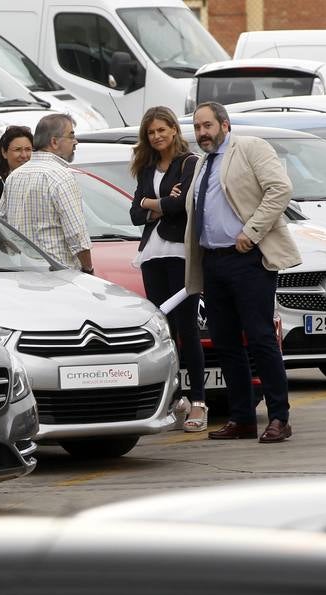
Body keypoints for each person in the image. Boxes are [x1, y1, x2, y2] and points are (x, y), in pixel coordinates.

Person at [184, 101, 301, 444]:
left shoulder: (249, 148)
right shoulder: (202, 162)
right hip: (214, 261)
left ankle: (279, 416)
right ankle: (242, 418)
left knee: (261, 338)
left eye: (207, 125)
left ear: (224, 124)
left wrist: (251, 232)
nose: (202, 133)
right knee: (226, 343)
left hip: (248, 260)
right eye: (197, 127)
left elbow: (280, 190)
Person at [128, 105, 206, 432]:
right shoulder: (147, 169)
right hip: (151, 254)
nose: (157, 136)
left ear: (174, 129)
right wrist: (154, 204)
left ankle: (199, 402)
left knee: (186, 326)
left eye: (162, 130)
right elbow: (133, 213)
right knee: (165, 331)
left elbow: (181, 204)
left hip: (179, 253)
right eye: (151, 132)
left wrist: (152, 203)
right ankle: (176, 398)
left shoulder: (189, 164)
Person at [0, 113, 94, 273]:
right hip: (59, 273)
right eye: (71, 136)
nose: (76, 142)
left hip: (22, 271)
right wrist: (88, 268)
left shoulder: (14, 176)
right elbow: (77, 235)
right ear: (54, 142)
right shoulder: (62, 176)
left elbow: (1, 224)